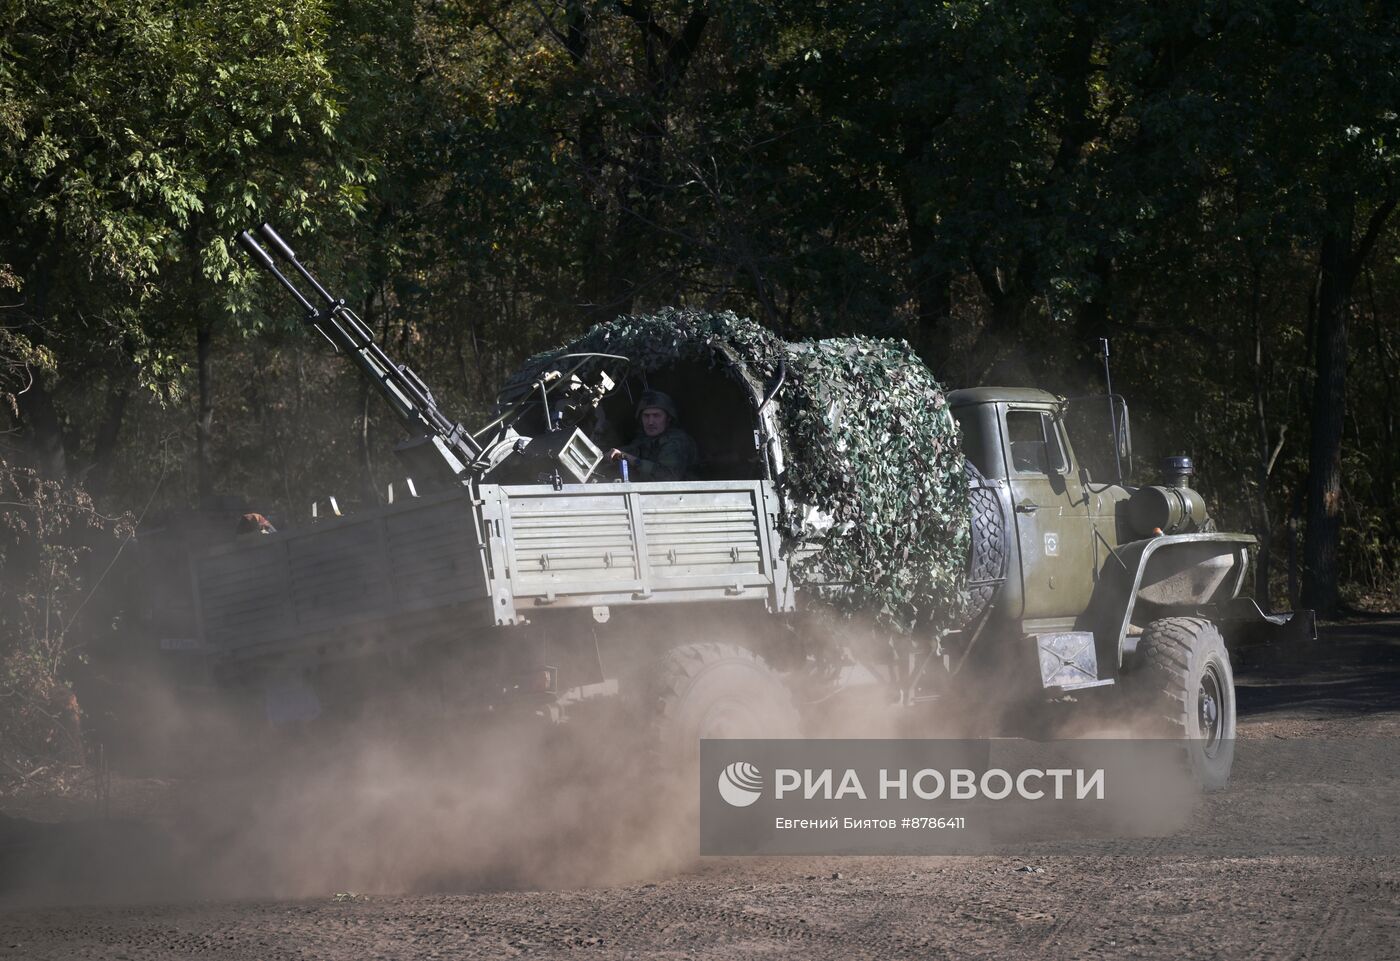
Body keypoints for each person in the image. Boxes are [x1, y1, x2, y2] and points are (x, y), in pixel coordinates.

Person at [609, 389, 699, 481]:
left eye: (656, 415)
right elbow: (632, 450)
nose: (650, 422)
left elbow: (668, 476)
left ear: (668, 418)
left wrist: (630, 459)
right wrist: (613, 454)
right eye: (646, 416)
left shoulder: (676, 441)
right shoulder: (644, 439)